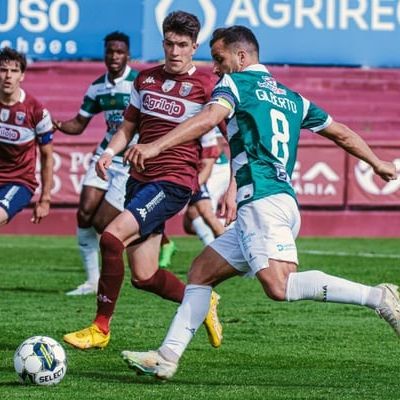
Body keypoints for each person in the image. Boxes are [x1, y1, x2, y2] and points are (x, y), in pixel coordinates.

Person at [119, 25, 399, 380]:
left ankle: (378, 297)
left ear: (241, 56)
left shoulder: (235, 84)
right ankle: (167, 356)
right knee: (201, 272)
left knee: (279, 286)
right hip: (277, 200)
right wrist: (377, 162)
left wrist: (155, 145)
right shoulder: (292, 98)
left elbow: (209, 117)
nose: (215, 68)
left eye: (219, 59)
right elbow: (340, 132)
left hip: (262, 202)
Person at [63, 11, 222, 350]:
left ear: (194, 47)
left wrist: (235, 183)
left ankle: (100, 328)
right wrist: (110, 152)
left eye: (183, 45)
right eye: (170, 43)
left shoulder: (208, 85)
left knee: (110, 237)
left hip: (173, 182)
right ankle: (203, 300)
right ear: (162, 42)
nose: (175, 51)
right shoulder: (145, 79)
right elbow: (127, 127)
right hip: (138, 179)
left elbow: (229, 135)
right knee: (144, 276)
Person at [53, 32, 138, 295]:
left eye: (119, 52)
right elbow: (79, 124)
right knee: (84, 213)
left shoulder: (138, 84)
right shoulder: (97, 87)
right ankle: (92, 281)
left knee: (102, 223)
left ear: (128, 55)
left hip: (128, 162)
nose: (114, 56)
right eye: (110, 51)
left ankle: (144, 243)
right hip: (105, 155)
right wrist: (56, 124)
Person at [0, 47, 53, 226]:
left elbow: (47, 156)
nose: (8, 76)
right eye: (3, 70)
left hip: (18, 181)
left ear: (22, 76)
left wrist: (45, 199)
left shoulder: (36, 111)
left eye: (14, 71)